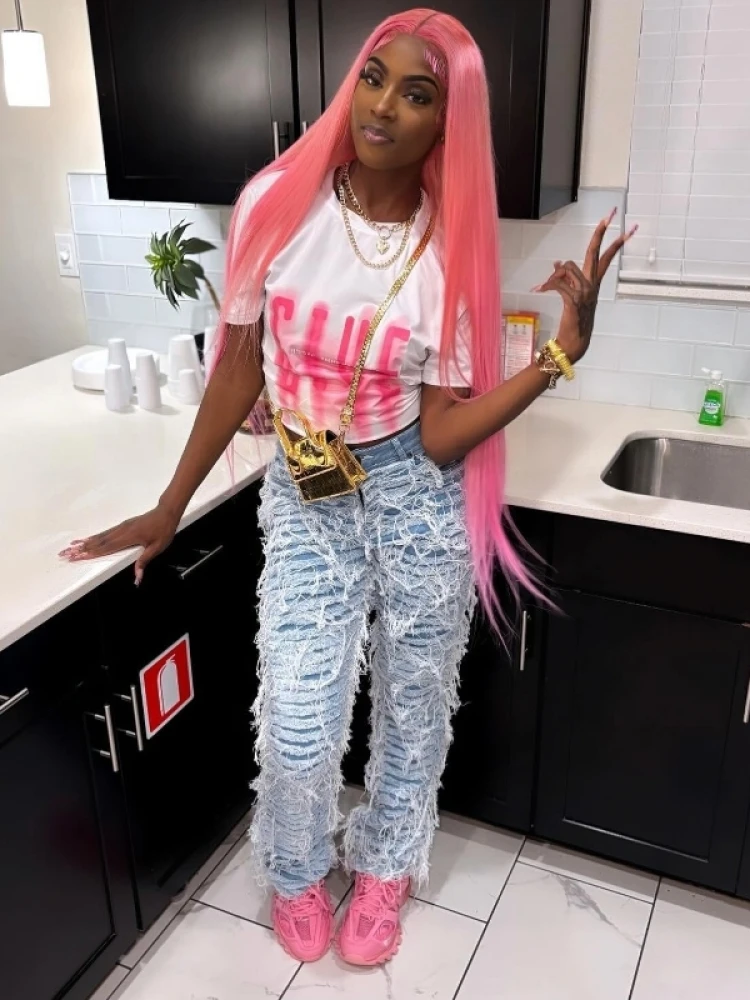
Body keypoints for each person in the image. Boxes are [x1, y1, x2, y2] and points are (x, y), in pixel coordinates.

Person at [60, 8, 634, 968]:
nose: (384, 106)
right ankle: (294, 869)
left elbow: (443, 431)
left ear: (447, 123)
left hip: (415, 493)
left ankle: (385, 867)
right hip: (307, 492)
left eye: (418, 94)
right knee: (297, 713)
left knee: (415, 705)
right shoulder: (276, 204)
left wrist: (558, 358)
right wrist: (170, 504)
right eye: (374, 76)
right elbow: (237, 368)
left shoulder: (451, 248)